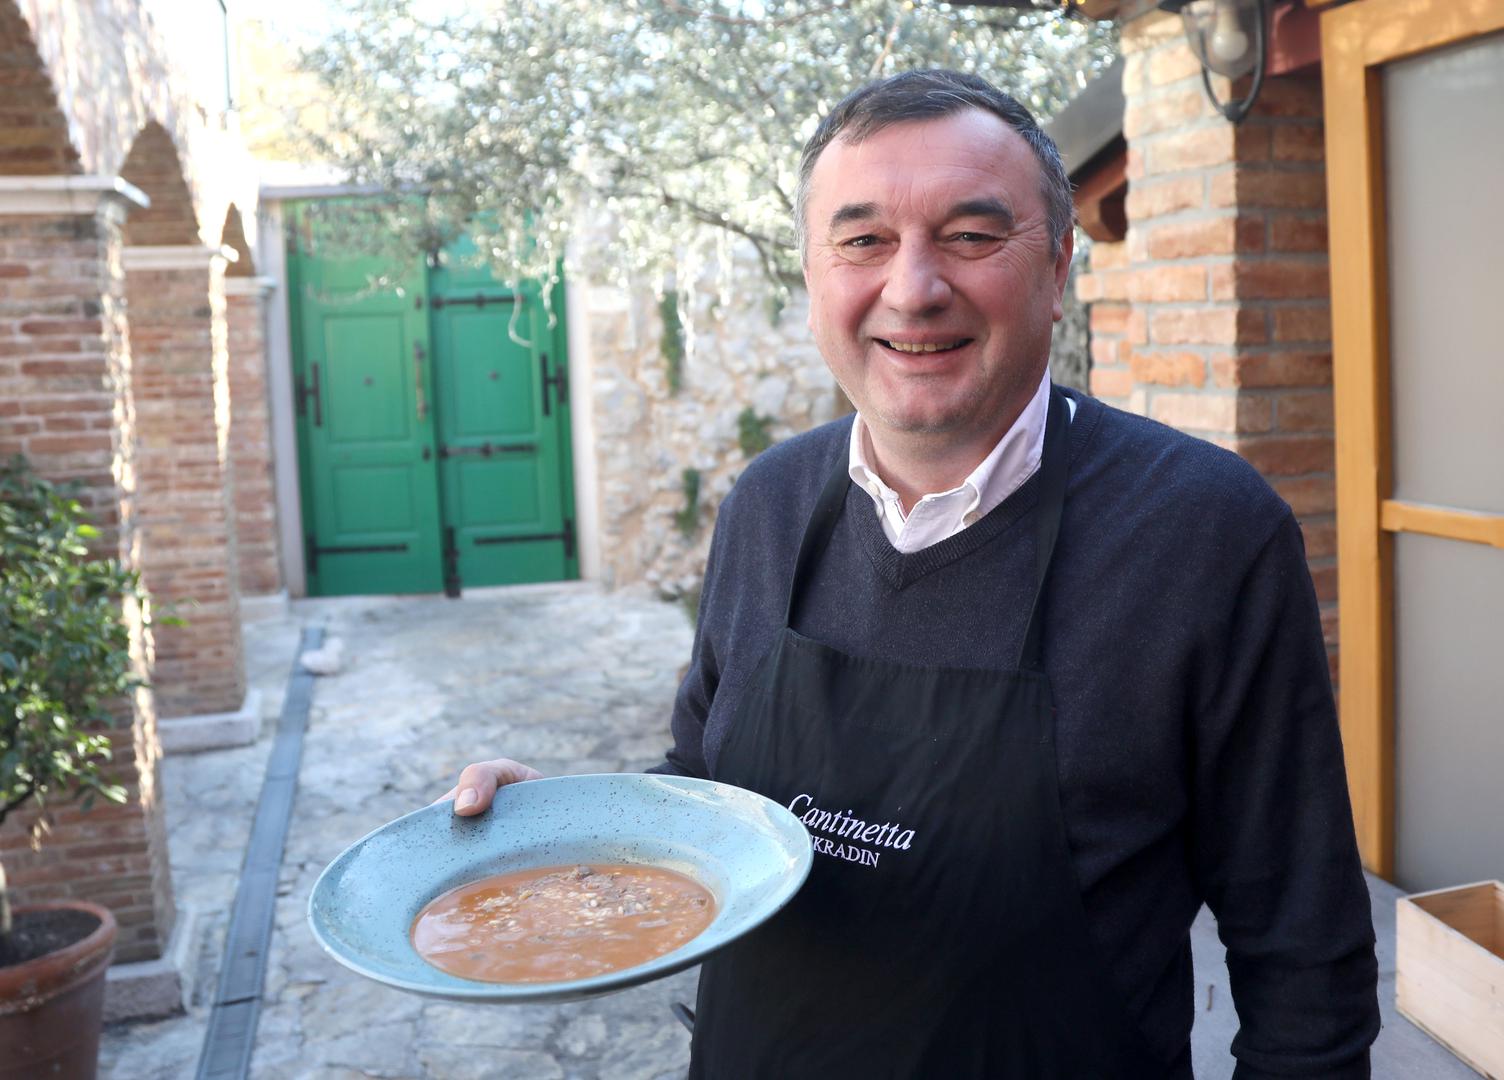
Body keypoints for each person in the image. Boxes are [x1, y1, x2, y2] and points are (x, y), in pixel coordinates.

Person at [440, 69, 1380, 1077]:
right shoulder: (767, 504)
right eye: (862, 242)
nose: (913, 288)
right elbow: (705, 799)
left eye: (972, 237)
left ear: (1057, 266)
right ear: (812, 274)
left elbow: (1302, 957)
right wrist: (566, 841)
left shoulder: (1206, 534)